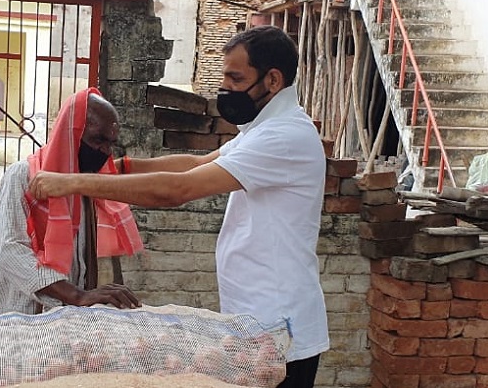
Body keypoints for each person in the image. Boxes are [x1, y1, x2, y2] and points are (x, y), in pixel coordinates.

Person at [28, 26, 329, 388]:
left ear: (273, 79)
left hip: (282, 325)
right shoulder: (263, 129)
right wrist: (121, 166)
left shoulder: (284, 136)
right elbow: (194, 163)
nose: (226, 89)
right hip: (258, 319)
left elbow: (178, 189)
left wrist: (72, 183)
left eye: (236, 78)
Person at [0, 87, 144, 316]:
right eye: (98, 141)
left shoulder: (84, 184)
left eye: (110, 143)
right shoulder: (22, 176)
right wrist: (76, 295)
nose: (105, 151)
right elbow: (10, 251)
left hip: (67, 320)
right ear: (71, 134)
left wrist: (85, 296)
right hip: (21, 318)